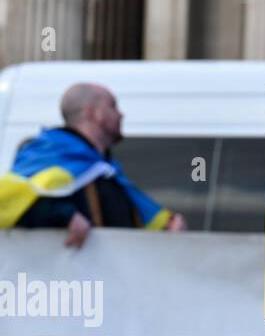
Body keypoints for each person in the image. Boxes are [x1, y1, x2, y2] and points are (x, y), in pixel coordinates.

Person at [0, 83, 186, 247]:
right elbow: (8, 203)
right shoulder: (47, 155)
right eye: (112, 106)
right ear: (91, 112)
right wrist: (64, 215)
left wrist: (166, 225)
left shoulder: (105, 170)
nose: (121, 115)